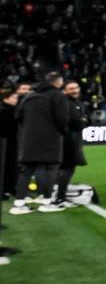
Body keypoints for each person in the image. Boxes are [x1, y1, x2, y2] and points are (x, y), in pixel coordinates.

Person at [11, 71, 69, 215]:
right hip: (50, 139)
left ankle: (18, 204)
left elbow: (17, 116)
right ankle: (47, 202)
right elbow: (62, 119)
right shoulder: (58, 95)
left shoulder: (29, 95)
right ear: (58, 82)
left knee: (25, 171)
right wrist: (64, 132)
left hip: (28, 139)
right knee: (50, 169)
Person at [54, 79, 89, 206]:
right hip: (68, 141)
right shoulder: (66, 103)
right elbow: (77, 122)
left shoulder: (78, 103)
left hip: (72, 139)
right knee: (67, 168)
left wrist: (82, 120)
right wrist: (82, 121)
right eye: (71, 88)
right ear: (64, 91)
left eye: (76, 87)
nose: (75, 90)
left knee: (64, 169)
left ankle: (55, 193)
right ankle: (60, 197)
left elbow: (86, 119)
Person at [1, 81, 32, 200]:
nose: (15, 100)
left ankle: (10, 188)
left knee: (12, 168)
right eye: (13, 98)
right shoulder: (5, 111)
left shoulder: (11, 110)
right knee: (7, 167)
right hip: (6, 144)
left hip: (11, 144)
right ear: (6, 98)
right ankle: (5, 189)